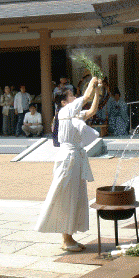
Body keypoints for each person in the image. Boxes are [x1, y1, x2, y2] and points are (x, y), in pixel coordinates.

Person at [35, 76, 102, 251]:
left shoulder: (72, 115)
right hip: (68, 159)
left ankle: (69, 237)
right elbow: (85, 98)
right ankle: (66, 239)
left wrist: (97, 92)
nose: (75, 98)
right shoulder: (65, 112)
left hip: (75, 159)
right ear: (64, 102)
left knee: (76, 197)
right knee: (66, 196)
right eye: (71, 96)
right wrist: (92, 82)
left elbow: (92, 110)